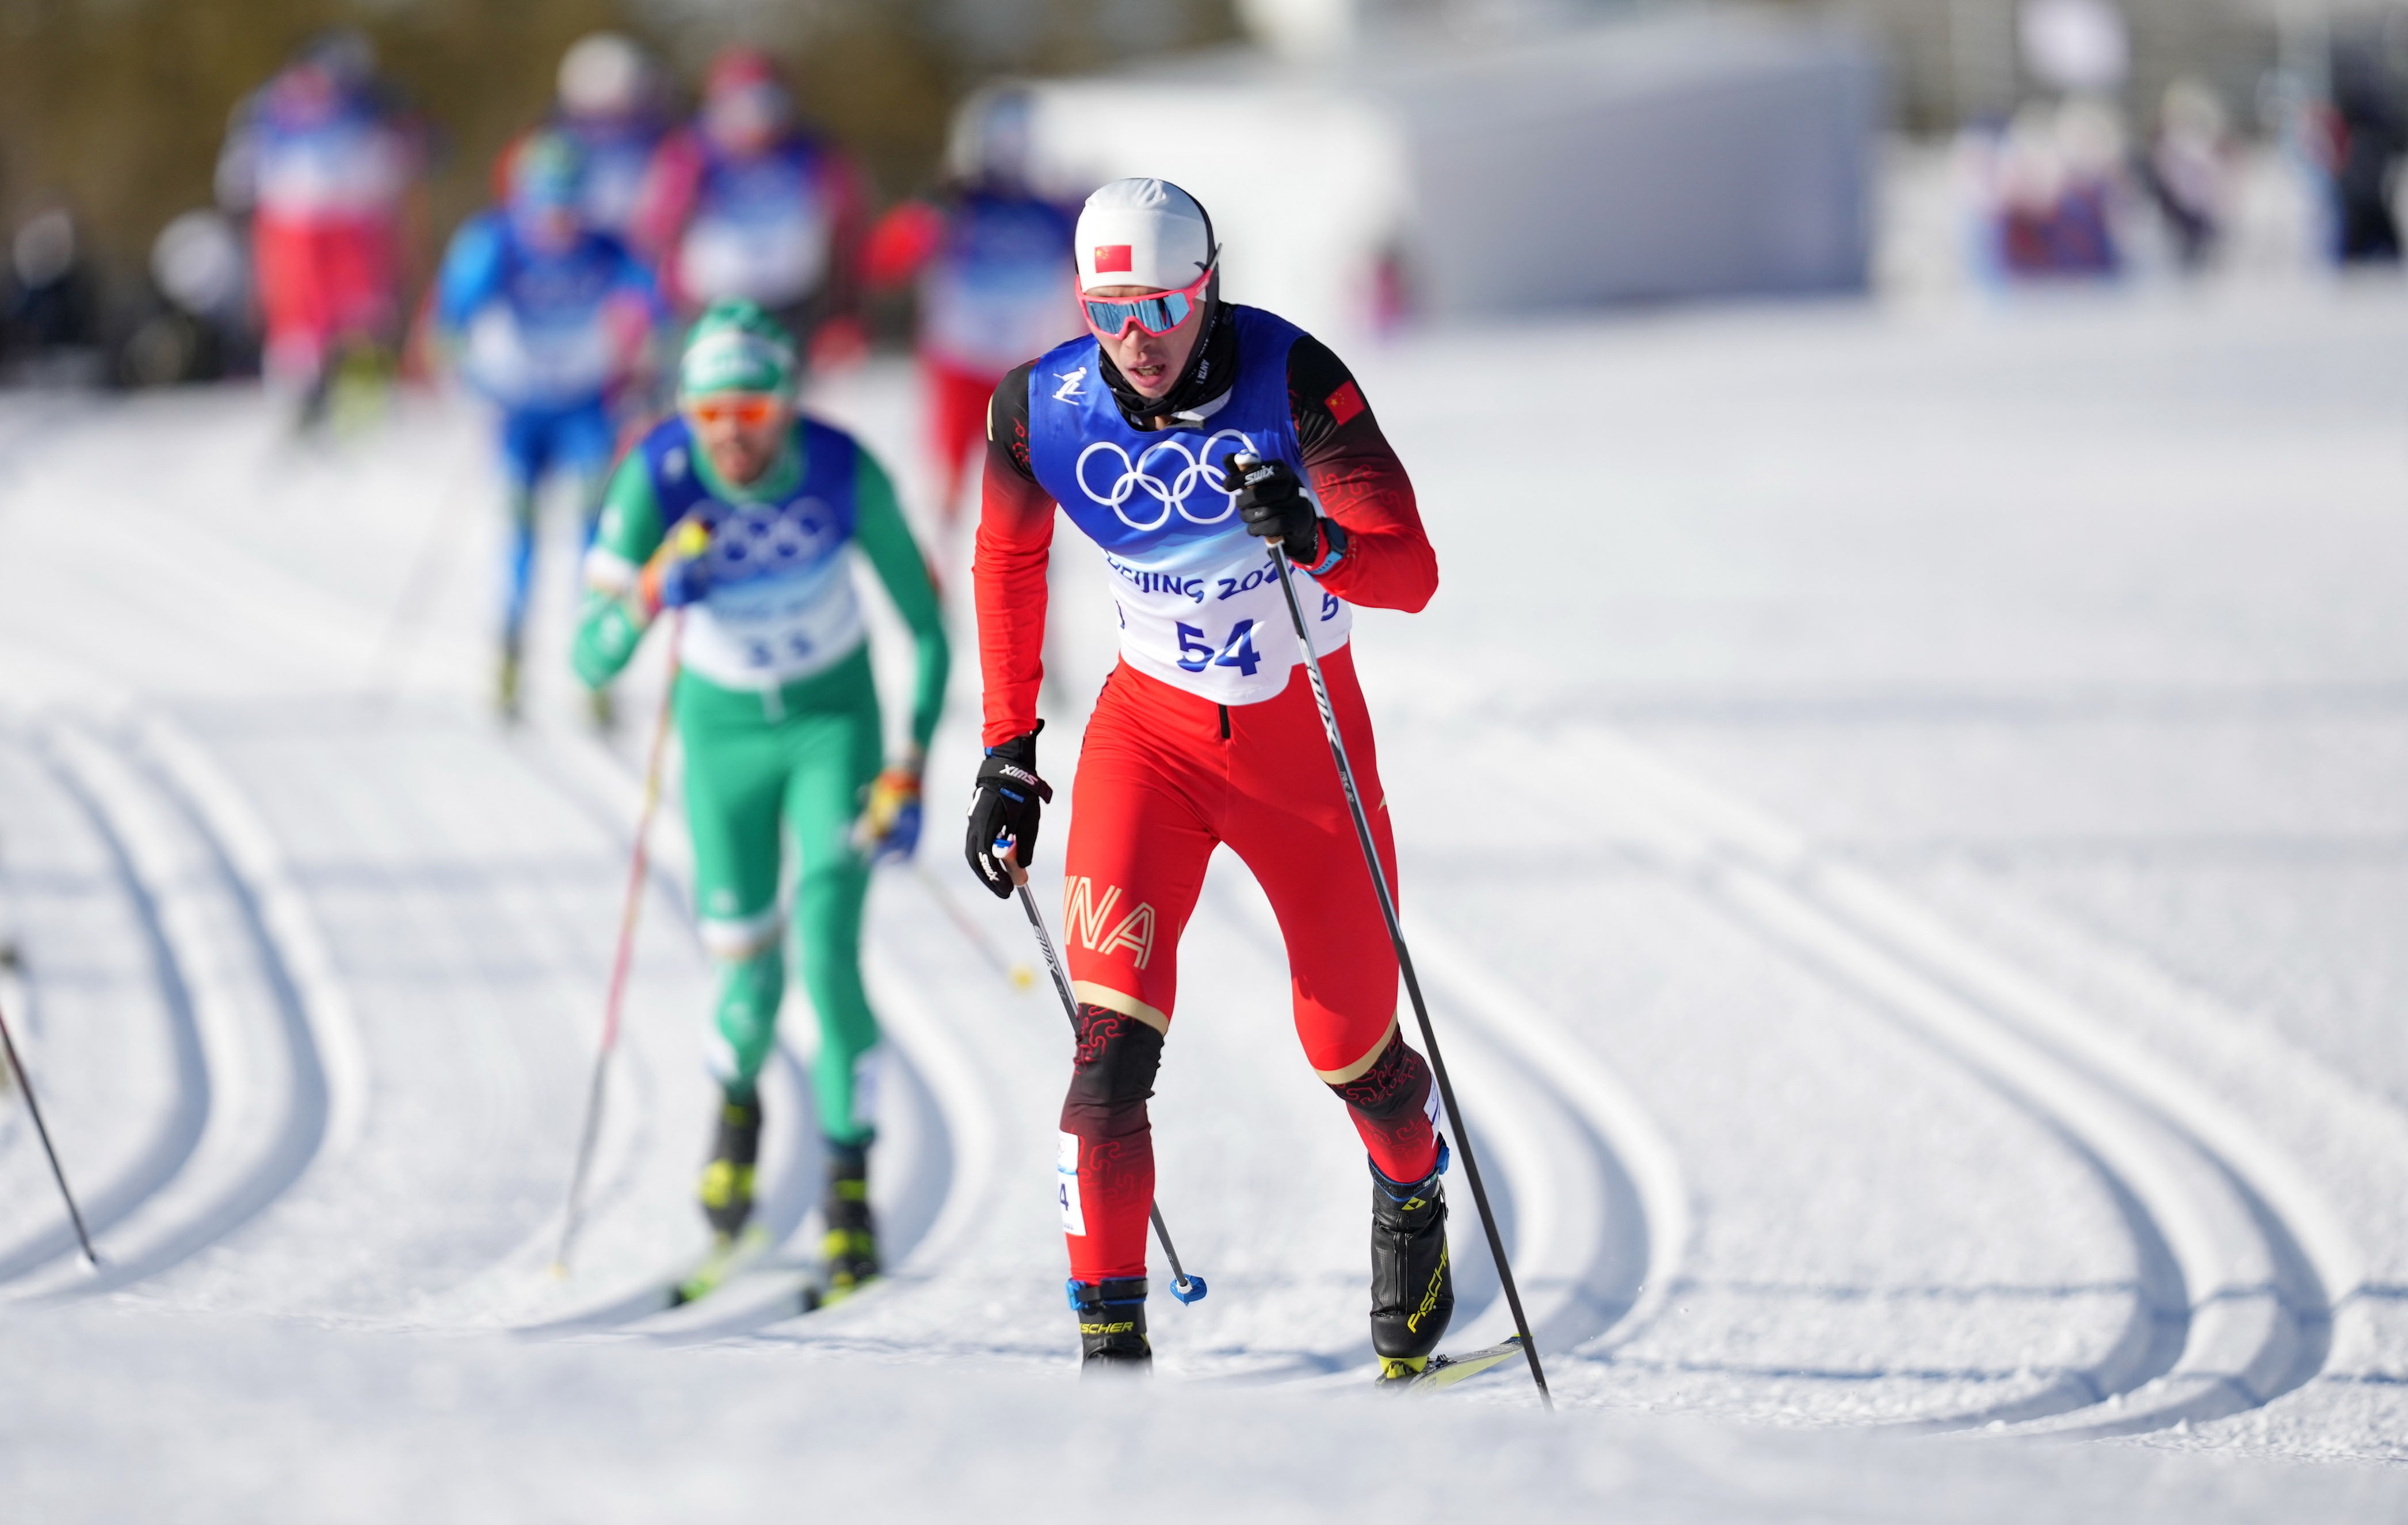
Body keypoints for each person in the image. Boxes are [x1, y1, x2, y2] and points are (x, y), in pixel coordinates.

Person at [960, 178, 1448, 1377]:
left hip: (1302, 743)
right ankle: (1109, 1367)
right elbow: (1006, 560)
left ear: (1208, 285)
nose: (1138, 337)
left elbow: (1412, 571)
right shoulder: (1039, 407)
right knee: (1106, 1054)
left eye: (1164, 308)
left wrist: (1318, 538)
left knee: (1350, 1048)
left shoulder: (1295, 378)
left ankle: (1411, 1182)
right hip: (1150, 741)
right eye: (1111, 310)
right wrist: (1009, 749)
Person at [572, 300, 948, 1299]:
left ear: (788, 403)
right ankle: (735, 1112)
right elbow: (589, 649)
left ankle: (848, 1196)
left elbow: (931, 626)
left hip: (836, 723)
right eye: (708, 412)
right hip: (722, 734)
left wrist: (911, 764)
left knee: (828, 955)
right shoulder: (656, 475)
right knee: (746, 990)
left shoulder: (839, 468)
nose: (730, 432)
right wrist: (654, 587)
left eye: (752, 406)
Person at [433, 131, 663, 720]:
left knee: (599, 536)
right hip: (518, 409)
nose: (560, 220)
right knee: (522, 532)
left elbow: (655, 301)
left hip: (586, 406)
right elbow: (449, 319)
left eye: (569, 204)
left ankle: (595, 665)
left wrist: (649, 350)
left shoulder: (607, 247)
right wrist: (467, 376)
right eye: (547, 204)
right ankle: (510, 655)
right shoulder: (494, 243)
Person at [863, 87, 1082, 532]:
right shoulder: (956, 205)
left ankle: (1027, 580)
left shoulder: (1054, 211)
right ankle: (938, 575)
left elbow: (1091, 282)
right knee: (946, 489)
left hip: (1026, 369)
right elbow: (884, 262)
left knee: (1030, 492)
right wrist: (927, 212)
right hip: (959, 362)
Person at [216, 29, 423, 426]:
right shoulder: (271, 104)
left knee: (361, 311)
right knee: (298, 317)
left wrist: (406, 148)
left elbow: (412, 146)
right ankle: (298, 402)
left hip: (357, 220)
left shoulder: (371, 103)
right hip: (293, 223)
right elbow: (241, 162)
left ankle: (362, 397)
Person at [635, 48, 870, 368]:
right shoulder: (693, 151)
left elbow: (848, 227)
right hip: (707, 303)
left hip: (789, 301)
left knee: (776, 398)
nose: (758, 120)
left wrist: (845, 308)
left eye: (769, 102)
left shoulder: (813, 152)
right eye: (744, 104)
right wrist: (656, 302)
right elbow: (655, 229)